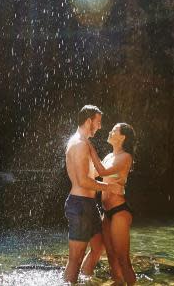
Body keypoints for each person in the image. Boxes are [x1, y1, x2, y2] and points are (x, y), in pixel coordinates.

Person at [64, 105, 124, 284]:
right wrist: (109, 188)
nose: (99, 127)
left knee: (98, 247)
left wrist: (116, 171)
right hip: (79, 204)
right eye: (97, 122)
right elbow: (82, 180)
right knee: (75, 257)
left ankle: (84, 279)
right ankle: (70, 281)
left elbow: (92, 173)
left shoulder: (84, 142)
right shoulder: (80, 144)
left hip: (88, 205)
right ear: (89, 120)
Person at [86, 122, 136, 285]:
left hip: (119, 211)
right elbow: (95, 173)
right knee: (111, 256)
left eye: (114, 130)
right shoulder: (108, 156)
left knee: (123, 259)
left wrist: (90, 148)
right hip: (106, 211)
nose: (110, 131)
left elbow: (102, 172)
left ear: (122, 137)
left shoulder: (126, 157)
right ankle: (120, 283)